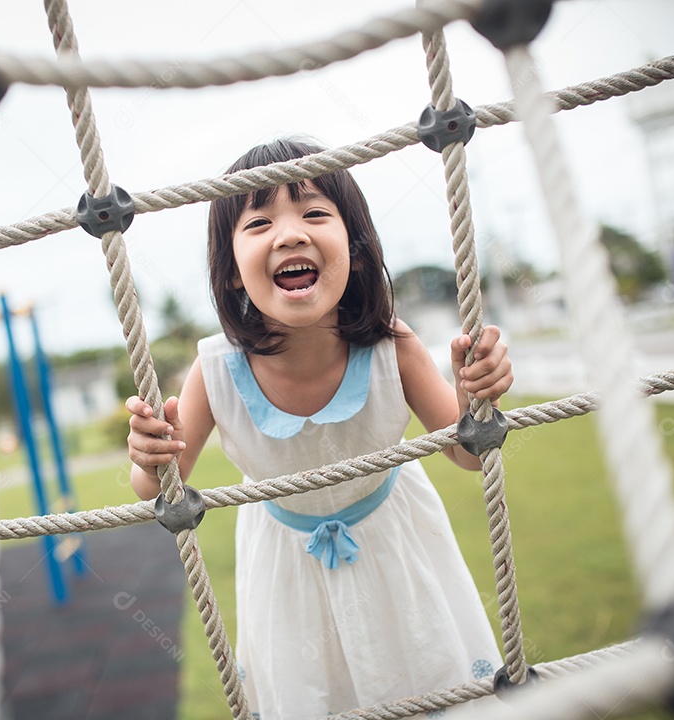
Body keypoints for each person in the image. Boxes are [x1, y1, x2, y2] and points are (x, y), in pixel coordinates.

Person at [126, 138, 512, 718]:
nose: (289, 234)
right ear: (231, 271)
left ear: (354, 251)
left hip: (397, 551)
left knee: (430, 685)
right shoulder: (214, 371)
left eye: (313, 213)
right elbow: (162, 489)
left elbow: (467, 452)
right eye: (259, 222)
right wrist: (147, 458)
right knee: (312, 699)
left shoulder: (393, 347)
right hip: (285, 571)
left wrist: (473, 395)